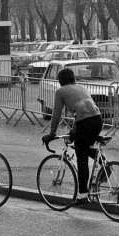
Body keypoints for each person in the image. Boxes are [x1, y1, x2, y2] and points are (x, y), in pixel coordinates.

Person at [41, 68, 102, 201]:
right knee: (84, 148)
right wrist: (72, 134)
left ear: (61, 81)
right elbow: (80, 115)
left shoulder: (61, 91)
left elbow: (56, 114)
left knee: (81, 158)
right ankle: (104, 166)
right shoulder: (81, 87)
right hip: (98, 120)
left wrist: (52, 134)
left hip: (84, 123)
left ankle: (83, 195)